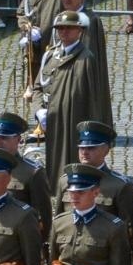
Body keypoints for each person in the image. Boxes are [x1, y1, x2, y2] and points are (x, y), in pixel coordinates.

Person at [28, 10, 110, 187]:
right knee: (53, 166)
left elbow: (93, 100)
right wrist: (39, 110)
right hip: (51, 122)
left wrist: (89, 134)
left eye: (69, 28)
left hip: (73, 122)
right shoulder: (50, 56)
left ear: (79, 31)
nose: (64, 32)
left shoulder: (86, 59)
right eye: (60, 28)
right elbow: (38, 87)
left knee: (73, 167)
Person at [55, 122, 133, 255]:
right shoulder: (65, 181)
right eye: (81, 148)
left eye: (91, 148)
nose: (84, 152)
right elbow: (58, 221)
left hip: (103, 254)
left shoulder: (120, 186)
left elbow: (130, 231)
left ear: (106, 150)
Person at [0, 112, 52, 239]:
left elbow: (43, 217)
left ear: (18, 139)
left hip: (16, 239)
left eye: (5, 138)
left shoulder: (32, 172)